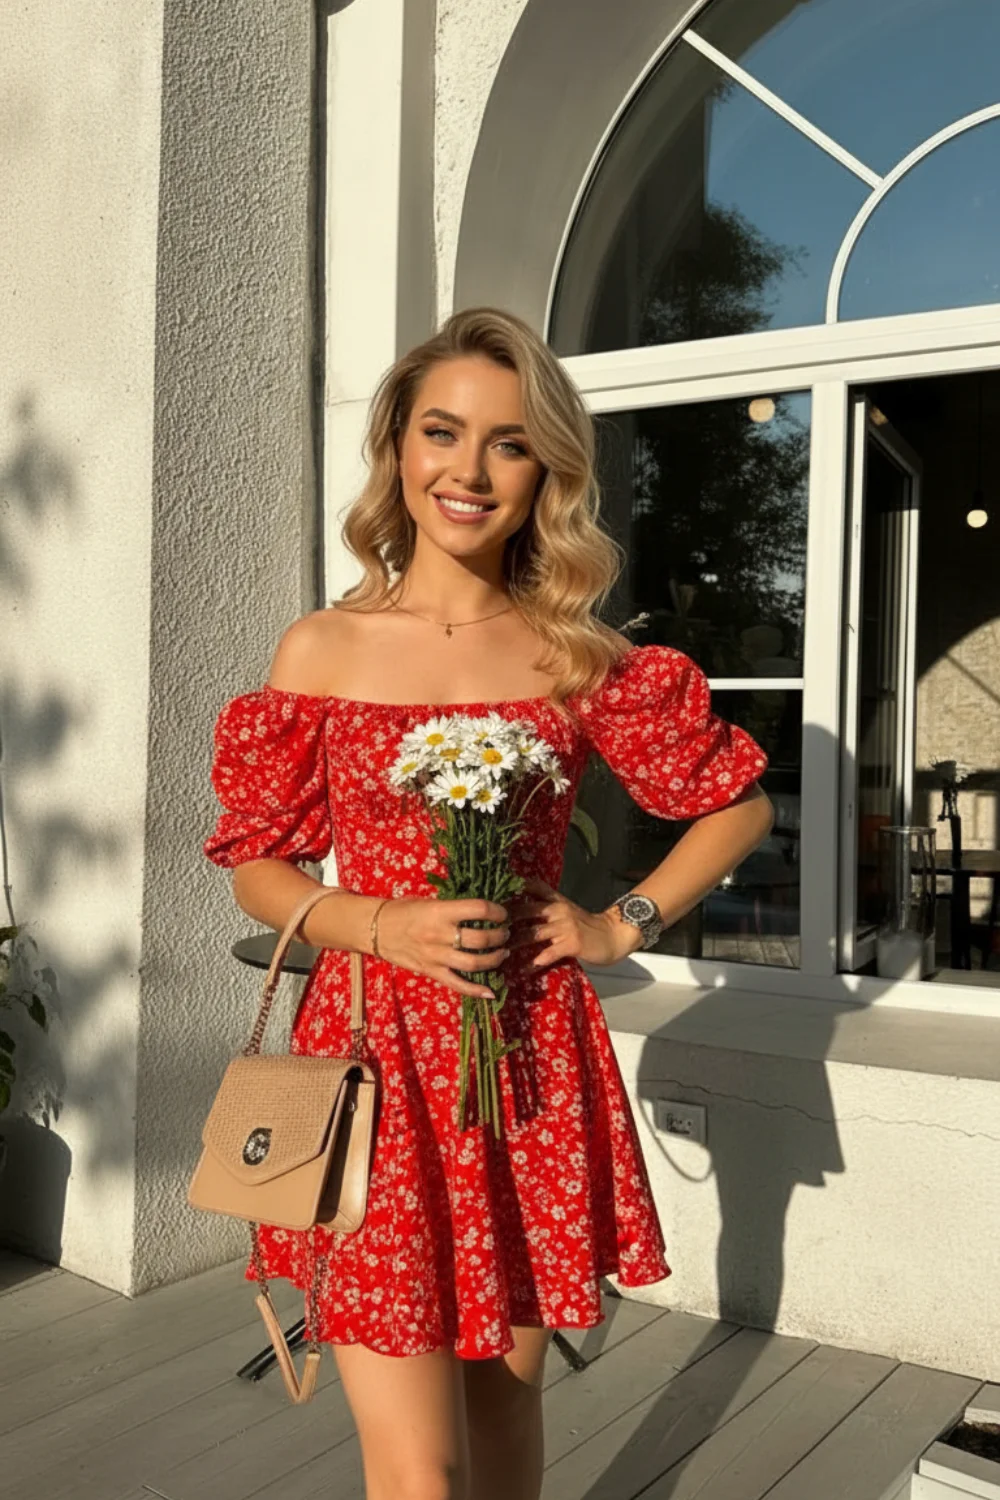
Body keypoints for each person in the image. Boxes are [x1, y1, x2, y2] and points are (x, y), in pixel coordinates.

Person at [203, 307, 773, 1500]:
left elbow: (736, 807)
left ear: (545, 472)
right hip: (372, 1069)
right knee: (420, 1470)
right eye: (442, 432)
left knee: (508, 1430)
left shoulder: (573, 655)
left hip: (524, 1067)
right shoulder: (323, 648)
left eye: (508, 443)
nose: (468, 471)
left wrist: (617, 924)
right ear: (396, 448)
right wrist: (380, 924)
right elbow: (259, 867)